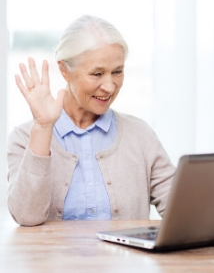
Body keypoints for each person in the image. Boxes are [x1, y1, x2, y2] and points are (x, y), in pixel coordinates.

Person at [7, 15, 175, 226]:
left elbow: (184, 210)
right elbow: (27, 217)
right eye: (97, 74)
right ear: (64, 70)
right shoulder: (23, 138)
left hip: (126, 260)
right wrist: (42, 127)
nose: (110, 86)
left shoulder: (140, 135)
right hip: (53, 260)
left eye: (117, 72)